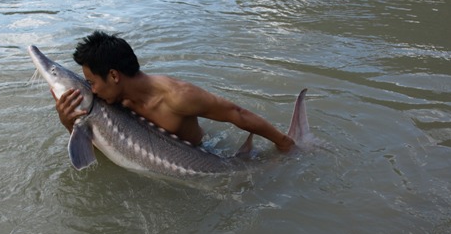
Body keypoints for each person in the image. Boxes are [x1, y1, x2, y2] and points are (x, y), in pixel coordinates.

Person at [52, 31, 295, 152]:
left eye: (91, 82)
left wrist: (284, 143)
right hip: (154, 158)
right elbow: (106, 147)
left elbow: (236, 113)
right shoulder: (113, 100)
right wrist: (70, 123)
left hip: (206, 152)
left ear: (114, 76)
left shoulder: (178, 96)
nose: (91, 89)